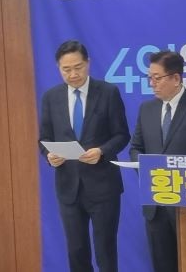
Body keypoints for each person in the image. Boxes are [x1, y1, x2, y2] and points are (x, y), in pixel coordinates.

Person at [38, 40, 131, 272]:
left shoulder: (108, 92)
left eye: (78, 67)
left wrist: (102, 151)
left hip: (103, 186)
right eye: (66, 69)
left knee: (105, 251)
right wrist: (49, 155)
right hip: (68, 188)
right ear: (58, 68)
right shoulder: (51, 97)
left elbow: (122, 135)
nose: (73, 74)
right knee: (76, 251)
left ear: (88, 63)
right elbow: (43, 138)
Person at [129, 50, 186, 272]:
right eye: (149, 77)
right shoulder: (146, 109)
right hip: (155, 205)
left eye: (157, 78)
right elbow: (135, 148)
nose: (152, 83)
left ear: (176, 78)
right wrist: (150, 171)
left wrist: (175, 169)